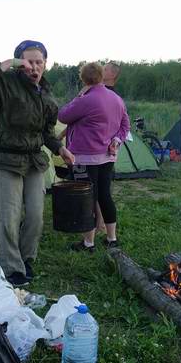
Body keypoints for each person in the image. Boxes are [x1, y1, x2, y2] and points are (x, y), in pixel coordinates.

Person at [0, 40, 74, 286]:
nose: (34, 67)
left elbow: (47, 132)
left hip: (33, 161)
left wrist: (60, 148)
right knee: (8, 217)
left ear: (45, 64)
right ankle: (12, 267)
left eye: (39, 62)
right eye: (29, 61)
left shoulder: (46, 93)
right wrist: (10, 64)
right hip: (6, 158)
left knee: (36, 216)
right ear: (20, 63)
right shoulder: (6, 84)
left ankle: (26, 258)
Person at [58, 62, 129, 252]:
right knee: (105, 195)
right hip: (108, 156)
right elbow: (125, 125)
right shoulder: (116, 98)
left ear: (83, 78)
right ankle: (111, 238)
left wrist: (79, 96)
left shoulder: (85, 99)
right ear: (100, 76)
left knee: (87, 199)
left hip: (84, 157)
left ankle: (88, 242)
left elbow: (63, 116)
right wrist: (116, 139)